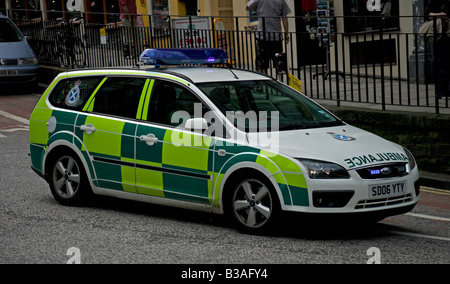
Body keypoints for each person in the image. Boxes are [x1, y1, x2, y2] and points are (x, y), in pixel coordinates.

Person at [246, 0, 291, 74]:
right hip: (276, 36)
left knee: (261, 64)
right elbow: (284, 18)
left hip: (262, 36)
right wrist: (286, 33)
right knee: (279, 64)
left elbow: (247, 7)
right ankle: (280, 82)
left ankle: (263, 83)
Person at [425, 0, 450, 99]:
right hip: (438, 36)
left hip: (448, 36)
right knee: (439, 65)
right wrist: (440, 15)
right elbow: (427, 15)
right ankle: (439, 92)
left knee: (447, 65)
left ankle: (446, 90)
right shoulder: (435, 2)